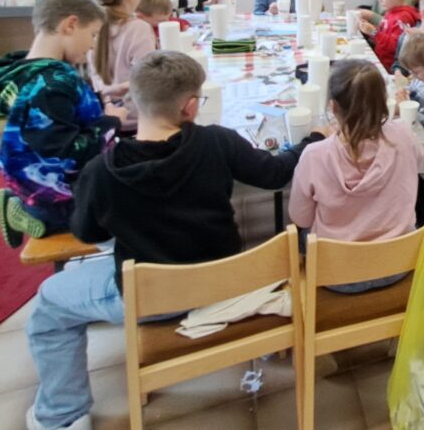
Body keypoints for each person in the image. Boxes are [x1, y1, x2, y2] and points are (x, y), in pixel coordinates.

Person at [23, 51, 323, 430]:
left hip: (149, 299)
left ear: (133, 99)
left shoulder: (101, 171)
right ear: (191, 106)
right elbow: (276, 172)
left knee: (50, 302)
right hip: (223, 281)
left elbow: (89, 234)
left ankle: (62, 416)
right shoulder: (219, 142)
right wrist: (311, 140)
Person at [0, 0, 125, 245]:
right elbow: (67, 153)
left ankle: (29, 206)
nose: (92, 45)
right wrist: (111, 121)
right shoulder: (51, 84)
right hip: (57, 195)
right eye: (92, 35)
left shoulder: (29, 71)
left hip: (36, 181)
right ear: (70, 24)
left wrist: (97, 98)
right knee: (135, 214)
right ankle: (34, 216)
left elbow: (58, 119)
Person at [290, 59, 421, 292]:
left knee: (301, 233)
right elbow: (415, 164)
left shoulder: (314, 154)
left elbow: (301, 219)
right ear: (383, 102)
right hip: (396, 262)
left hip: (339, 274)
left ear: (333, 107)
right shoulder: (404, 135)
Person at [87, 0, 155, 132]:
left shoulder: (91, 27)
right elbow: (147, 77)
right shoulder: (138, 28)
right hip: (138, 118)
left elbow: (94, 77)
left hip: (108, 116)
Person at [362, 0, 419, 71]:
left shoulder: (403, 17)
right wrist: (369, 30)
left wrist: (374, 32)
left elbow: (395, 46)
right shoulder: (391, 12)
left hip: (390, 68)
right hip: (382, 61)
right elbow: (386, 34)